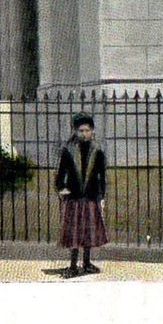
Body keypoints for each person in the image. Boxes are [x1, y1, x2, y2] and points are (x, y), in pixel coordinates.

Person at [54, 113, 108, 278]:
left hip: (90, 198)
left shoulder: (98, 152)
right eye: (80, 130)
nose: (84, 133)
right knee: (74, 232)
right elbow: (60, 174)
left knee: (88, 231)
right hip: (74, 198)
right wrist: (61, 188)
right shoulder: (68, 151)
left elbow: (101, 177)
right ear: (75, 131)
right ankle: (72, 265)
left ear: (92, 131)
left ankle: (86, 262)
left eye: (87, 130)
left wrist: (102, 197)